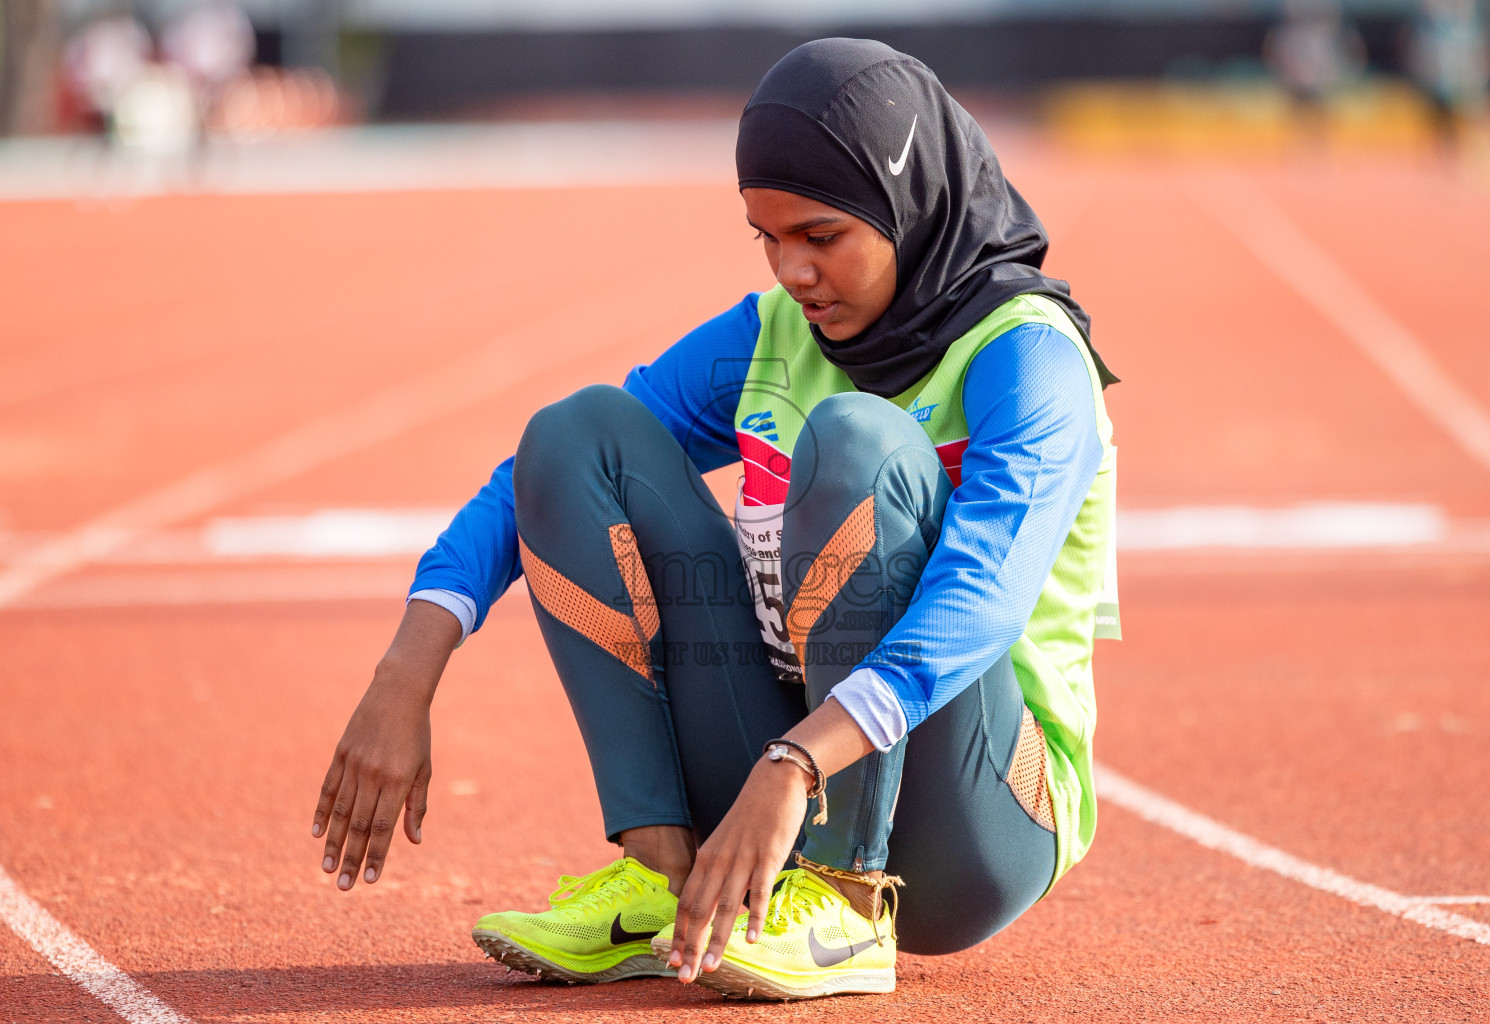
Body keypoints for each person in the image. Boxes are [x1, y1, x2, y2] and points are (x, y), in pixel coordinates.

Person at [311, 38, 1118, 1002]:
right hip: (790, 772)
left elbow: (983, 596)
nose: (794, 272)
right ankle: (667, 877)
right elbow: (558, 471)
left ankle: (849, 900)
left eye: (822, 237)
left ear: (911, 205)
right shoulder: (776, 333)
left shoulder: (1031, 360)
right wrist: (410, 667)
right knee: (578, 435)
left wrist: (796, 762)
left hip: (974, 825)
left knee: (859, 443)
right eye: (768, 239)